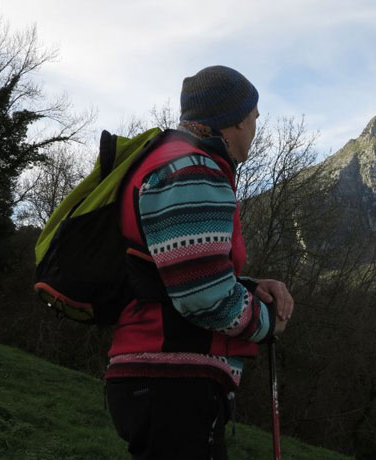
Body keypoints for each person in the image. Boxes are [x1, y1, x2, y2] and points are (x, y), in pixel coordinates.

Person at [105, 65, 294, 460]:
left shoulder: (171, 160)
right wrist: (267, 323)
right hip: (174, 381)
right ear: (235, 120)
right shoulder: (194, 169)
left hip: (156, 379)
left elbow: (179, 271)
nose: (256, 127)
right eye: (255, 116)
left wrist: (248, 286)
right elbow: (203, 296)